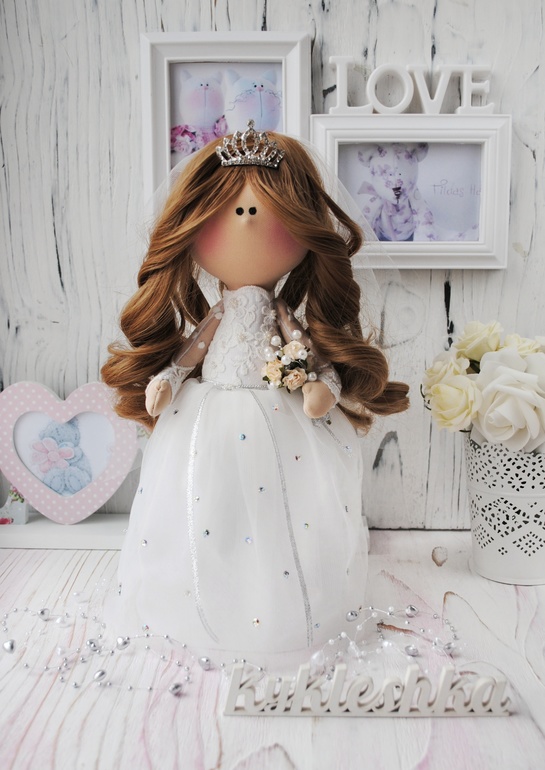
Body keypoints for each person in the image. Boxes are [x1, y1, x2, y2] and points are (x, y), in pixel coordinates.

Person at [101, 122, 409, 669]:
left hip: (280, 418)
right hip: (208, 416)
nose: (245, 217)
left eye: (264, 209)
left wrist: (321, 385)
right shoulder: (219, 311)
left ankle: (278, 606)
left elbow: (305, 351)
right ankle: (206, 601)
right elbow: (194, 349)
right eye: (229, 208)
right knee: (207, 506)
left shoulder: (282, 313)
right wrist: (167, 378)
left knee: (282, 514)